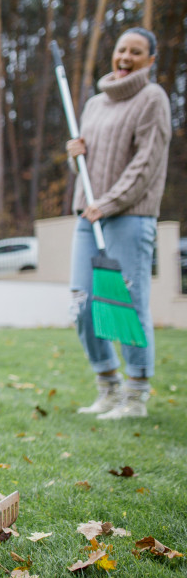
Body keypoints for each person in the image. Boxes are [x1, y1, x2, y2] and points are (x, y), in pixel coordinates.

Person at [67, 27, 172, 420]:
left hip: (129, 216)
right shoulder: (95, 103)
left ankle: (136, 396)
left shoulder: (152, 98)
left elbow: (147, 163)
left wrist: (109, 202)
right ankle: (108, 386)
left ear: (150, 60)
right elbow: (87, 166)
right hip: (88, 214)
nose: (126, 57)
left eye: (136, 51)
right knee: (83, 304)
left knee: (125, 304)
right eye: (121, 49)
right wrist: (75, 155)